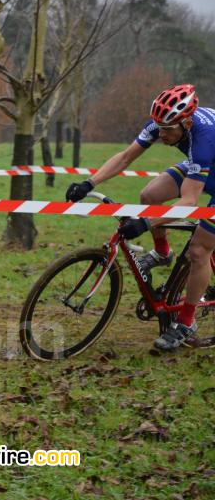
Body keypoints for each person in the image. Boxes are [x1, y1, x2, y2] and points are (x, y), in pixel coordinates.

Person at [66, 84, 215, 350]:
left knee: (199, 249)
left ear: (187, 122)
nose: (162, 134)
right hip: (202, 167)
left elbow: (189, 201)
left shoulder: (203, 139)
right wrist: (89, 183)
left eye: (168, 130)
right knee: (149, 196)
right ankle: (162, 253)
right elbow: (125, 158)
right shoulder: (164, 123)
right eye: (159, 128)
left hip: (205, 165)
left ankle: (186, 322)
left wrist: (145, 223)